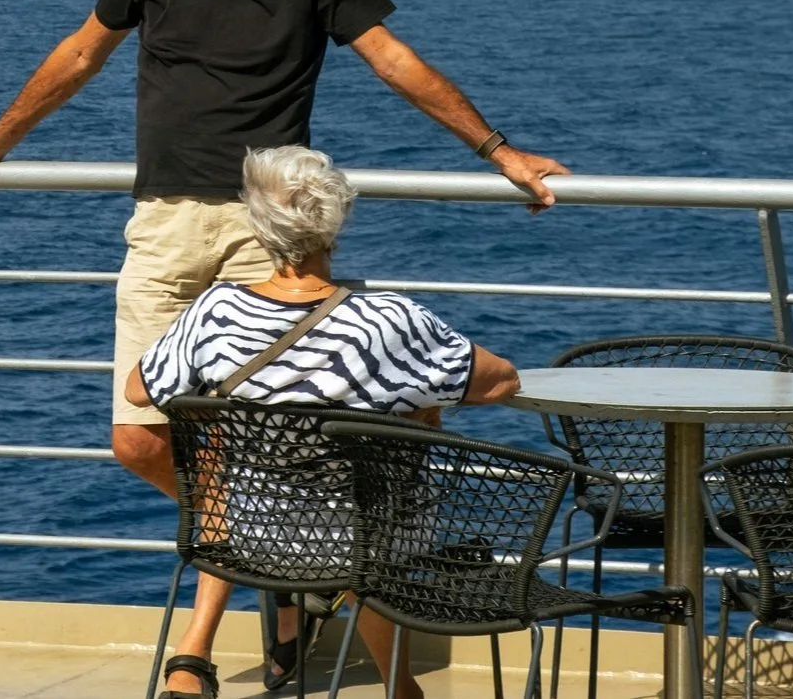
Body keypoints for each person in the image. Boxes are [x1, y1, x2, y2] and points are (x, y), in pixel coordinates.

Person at [0, 0, 565, 661]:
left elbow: (390, 58)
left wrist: (498, 151)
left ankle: (268, 585)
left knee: (263, 440)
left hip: (264, 231)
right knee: (137, 437)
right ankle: (288, 564)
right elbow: (81, 54)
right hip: (163, 224)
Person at [128, 145, 521, 698]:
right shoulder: (387, 319)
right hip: (367, 541)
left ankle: (195, 665)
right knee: (381, 474)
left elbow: (139, 389)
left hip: (249, 536)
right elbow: (502, 381)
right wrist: (415, 401)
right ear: (337, 224)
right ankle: (400, 686)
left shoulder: (215, 312)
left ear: (258, 226)